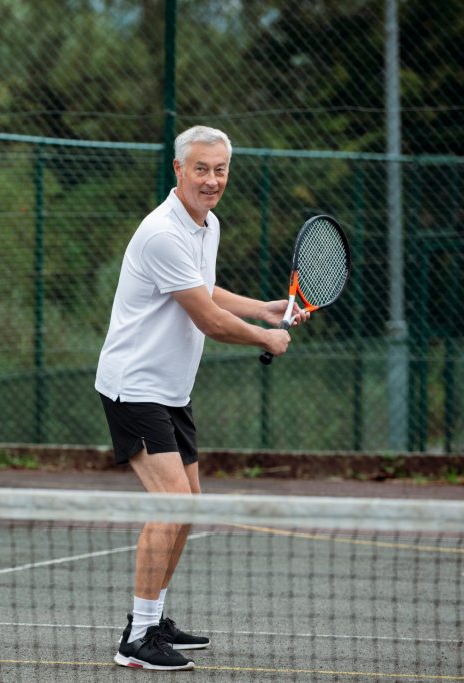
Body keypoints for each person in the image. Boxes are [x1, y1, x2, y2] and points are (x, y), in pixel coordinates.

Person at [96, 125, 308, 671]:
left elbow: (203, 287)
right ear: (178, 171)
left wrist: (264, 307)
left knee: (188, 505)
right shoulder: (162, 231)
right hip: (134, 386)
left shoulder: (206, 224)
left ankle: (154, 617)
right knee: (174, 505)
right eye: (201, 169)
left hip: (170, 389)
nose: (211, 180)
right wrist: (266, 337)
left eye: (220, 170)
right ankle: (136, 640)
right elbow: (209, 319)